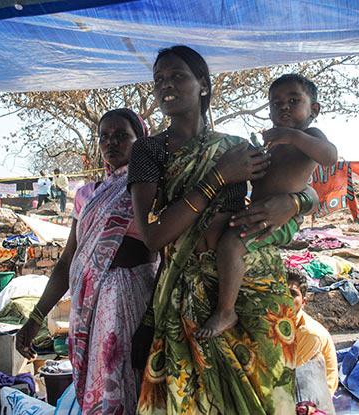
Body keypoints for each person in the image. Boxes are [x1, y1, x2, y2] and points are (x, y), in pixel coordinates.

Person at [129, 45, 319, 414]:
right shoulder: (148, 151)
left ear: (203, 84)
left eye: (177, 76)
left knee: (263, 397)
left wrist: (299, 202)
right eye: (159, 80)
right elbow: (153, 237)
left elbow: (291, 185)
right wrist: (219, 178)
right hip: (188, 295)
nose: (166, 85)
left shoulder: (237, 147)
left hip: (252, 288)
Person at [15, 108, 158, 413]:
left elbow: (165, 254)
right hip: (89, 310)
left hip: (133, 304)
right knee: (101, 388)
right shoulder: (87, 195)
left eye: (122, 135)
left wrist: (152, 320)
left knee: (135, 385)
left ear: (141, 140)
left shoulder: (153, 187)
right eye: (104, 136)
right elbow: (68, 260)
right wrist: (36, 316)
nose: (111, 142)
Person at [196, 73, 337, 338]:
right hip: (257, 212)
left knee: (231, 244)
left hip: (281, 220)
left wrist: (294, 137)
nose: (283, 106)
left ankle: (226, 311)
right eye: (276, 102)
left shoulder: (309, 135)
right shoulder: (271, 145)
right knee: (222, 231)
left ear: (314, 109)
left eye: (293, 100)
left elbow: (330, 157)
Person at [288, 270, 337, 415]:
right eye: (281, 292)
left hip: (312, 401)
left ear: (304, 301)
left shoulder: (309, 333)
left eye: (292, 294)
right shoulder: (280, 323)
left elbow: (297, 380)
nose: (286, 298)